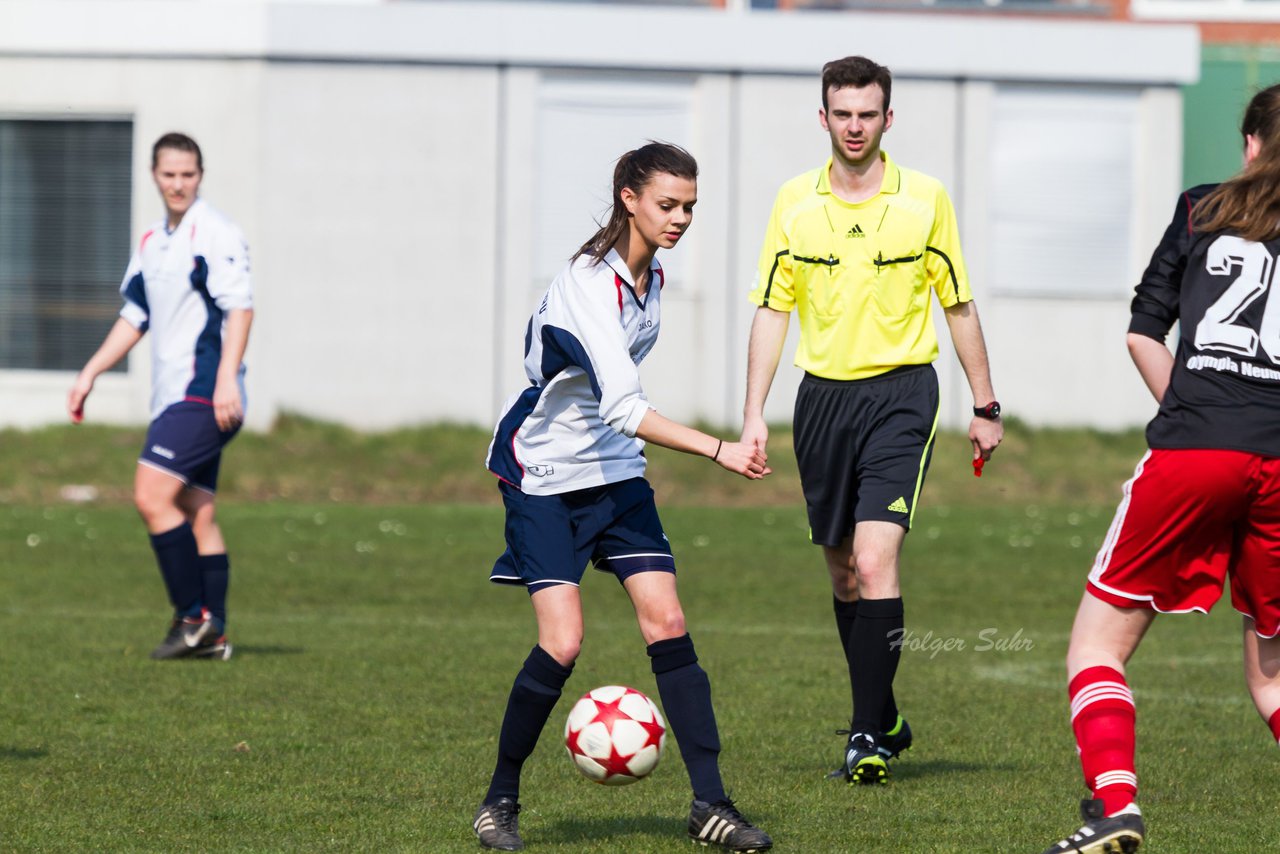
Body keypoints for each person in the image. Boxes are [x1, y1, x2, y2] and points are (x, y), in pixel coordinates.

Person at [473, 142, 773, 853]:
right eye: (668, 204)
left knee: (667, 621)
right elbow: (622, 407)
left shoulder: (652, 276)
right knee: (563, 641)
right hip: (543, 472)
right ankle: (498, 800)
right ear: (628, 198)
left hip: (612, 472)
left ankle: (711, 805)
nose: (681, 218)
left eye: (690, 207)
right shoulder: (588, 280)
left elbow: (616, 420)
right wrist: (719, 449)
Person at [740, 55, 1003, 785]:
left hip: (901, 397)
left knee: (874, 558)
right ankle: (882, 710)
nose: (855, 126)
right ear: (822, 118)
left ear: (889, 118)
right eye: (843, 113)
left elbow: (957, 304)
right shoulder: (794, 202)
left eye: (868, 113)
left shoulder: (925, 200)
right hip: (821, 400)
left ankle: (865, 736)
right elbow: (772, 310)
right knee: (841, 570)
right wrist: (753, 414)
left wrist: (985, 406)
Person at [1041, 84, 1280, 854]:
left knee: (1096, 648)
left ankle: (1116, 810)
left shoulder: (1201, 208)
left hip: (1193, 452)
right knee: (1272, 677)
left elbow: (1145, 331)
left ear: (1249, 144)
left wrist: (1197, 419)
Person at [68, 132, 253, 662]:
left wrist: (223, 380)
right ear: (154, 175)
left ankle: (192, 618)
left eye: (188, 174)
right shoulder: (153, 240)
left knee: (151, 496)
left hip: (203, 393)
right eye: (169, 174)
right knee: (196, 510)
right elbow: (136, 315)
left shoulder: (214, 233)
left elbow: (240, 307)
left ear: (200, 175)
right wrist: (91, 373)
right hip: (175, 394)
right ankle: (212, 633)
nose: (178, 184)